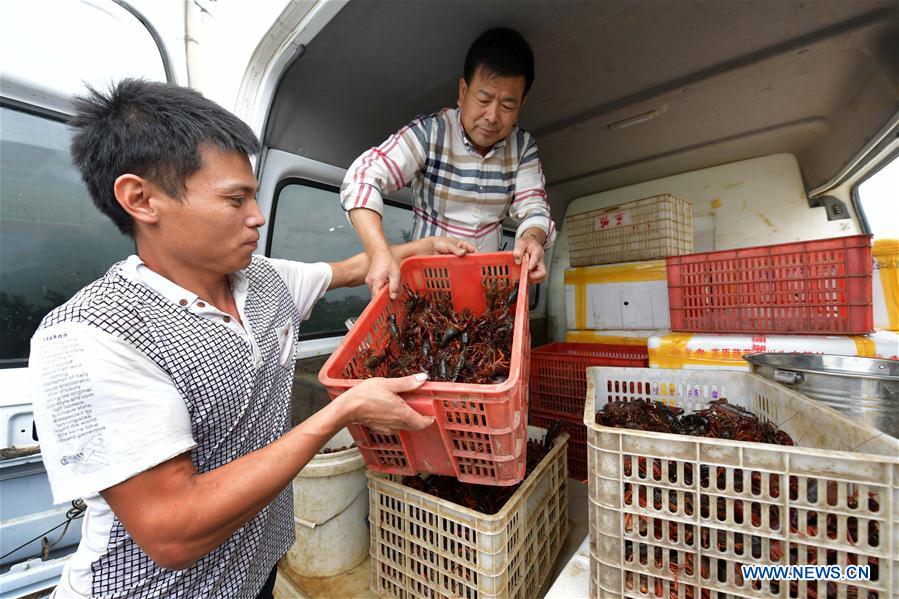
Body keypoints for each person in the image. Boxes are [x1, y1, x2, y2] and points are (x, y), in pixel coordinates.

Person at [27, 78, 475, 599]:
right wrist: (341, 412)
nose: (257, 217)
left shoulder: (263, 281)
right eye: (235, 199)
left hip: (256, 568)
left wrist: (427, 247)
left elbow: (356, 268)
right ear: (140, 198)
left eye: (256, 196)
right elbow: (172, 531)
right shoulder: (88, 336)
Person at [340, 27, 556, 299]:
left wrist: (532, 239)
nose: (492, 116)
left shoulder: (523, 147)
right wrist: (380, 252)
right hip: (428, 286)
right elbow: (361, 176)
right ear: (463, 91)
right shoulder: (430, 133)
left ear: (521, 105)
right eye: (484, 99)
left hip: (489, 289)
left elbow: (535, 208)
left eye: (507, 106)